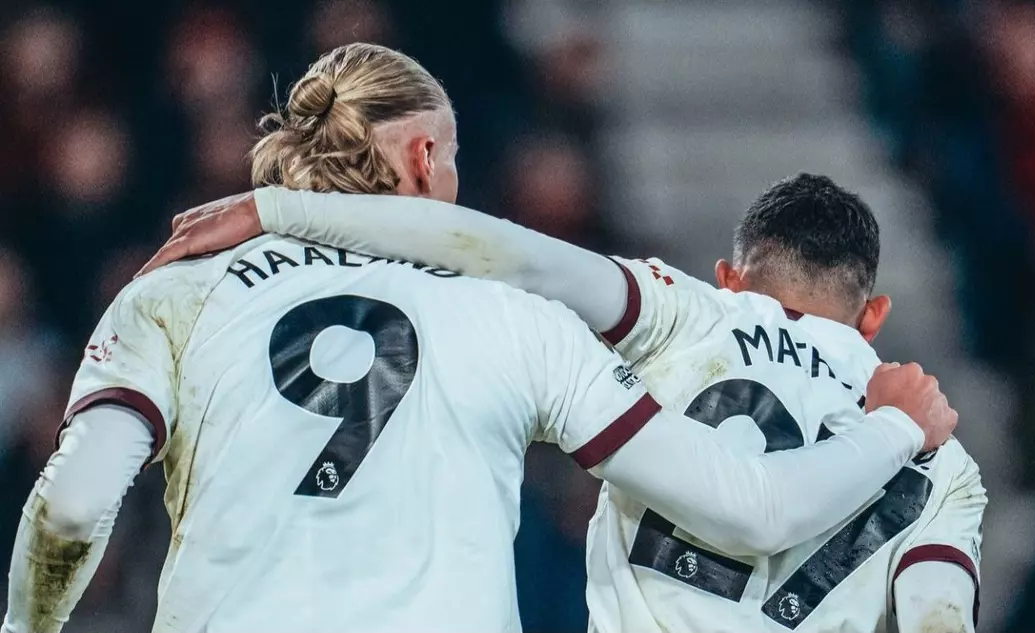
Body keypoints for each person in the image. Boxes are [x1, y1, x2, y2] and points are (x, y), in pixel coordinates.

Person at [0, 45, 954, 633]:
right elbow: (752, 508)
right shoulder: (518, 319)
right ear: (425, 158)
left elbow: (74, 507)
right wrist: (893, 426)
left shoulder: (179, 287)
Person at [144, 174, 985, 633]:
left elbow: (510, 252)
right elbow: (936, 617)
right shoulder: (942, 458)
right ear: (874, 315)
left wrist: (281, 209)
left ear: (732, 275)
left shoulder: (688, 309)